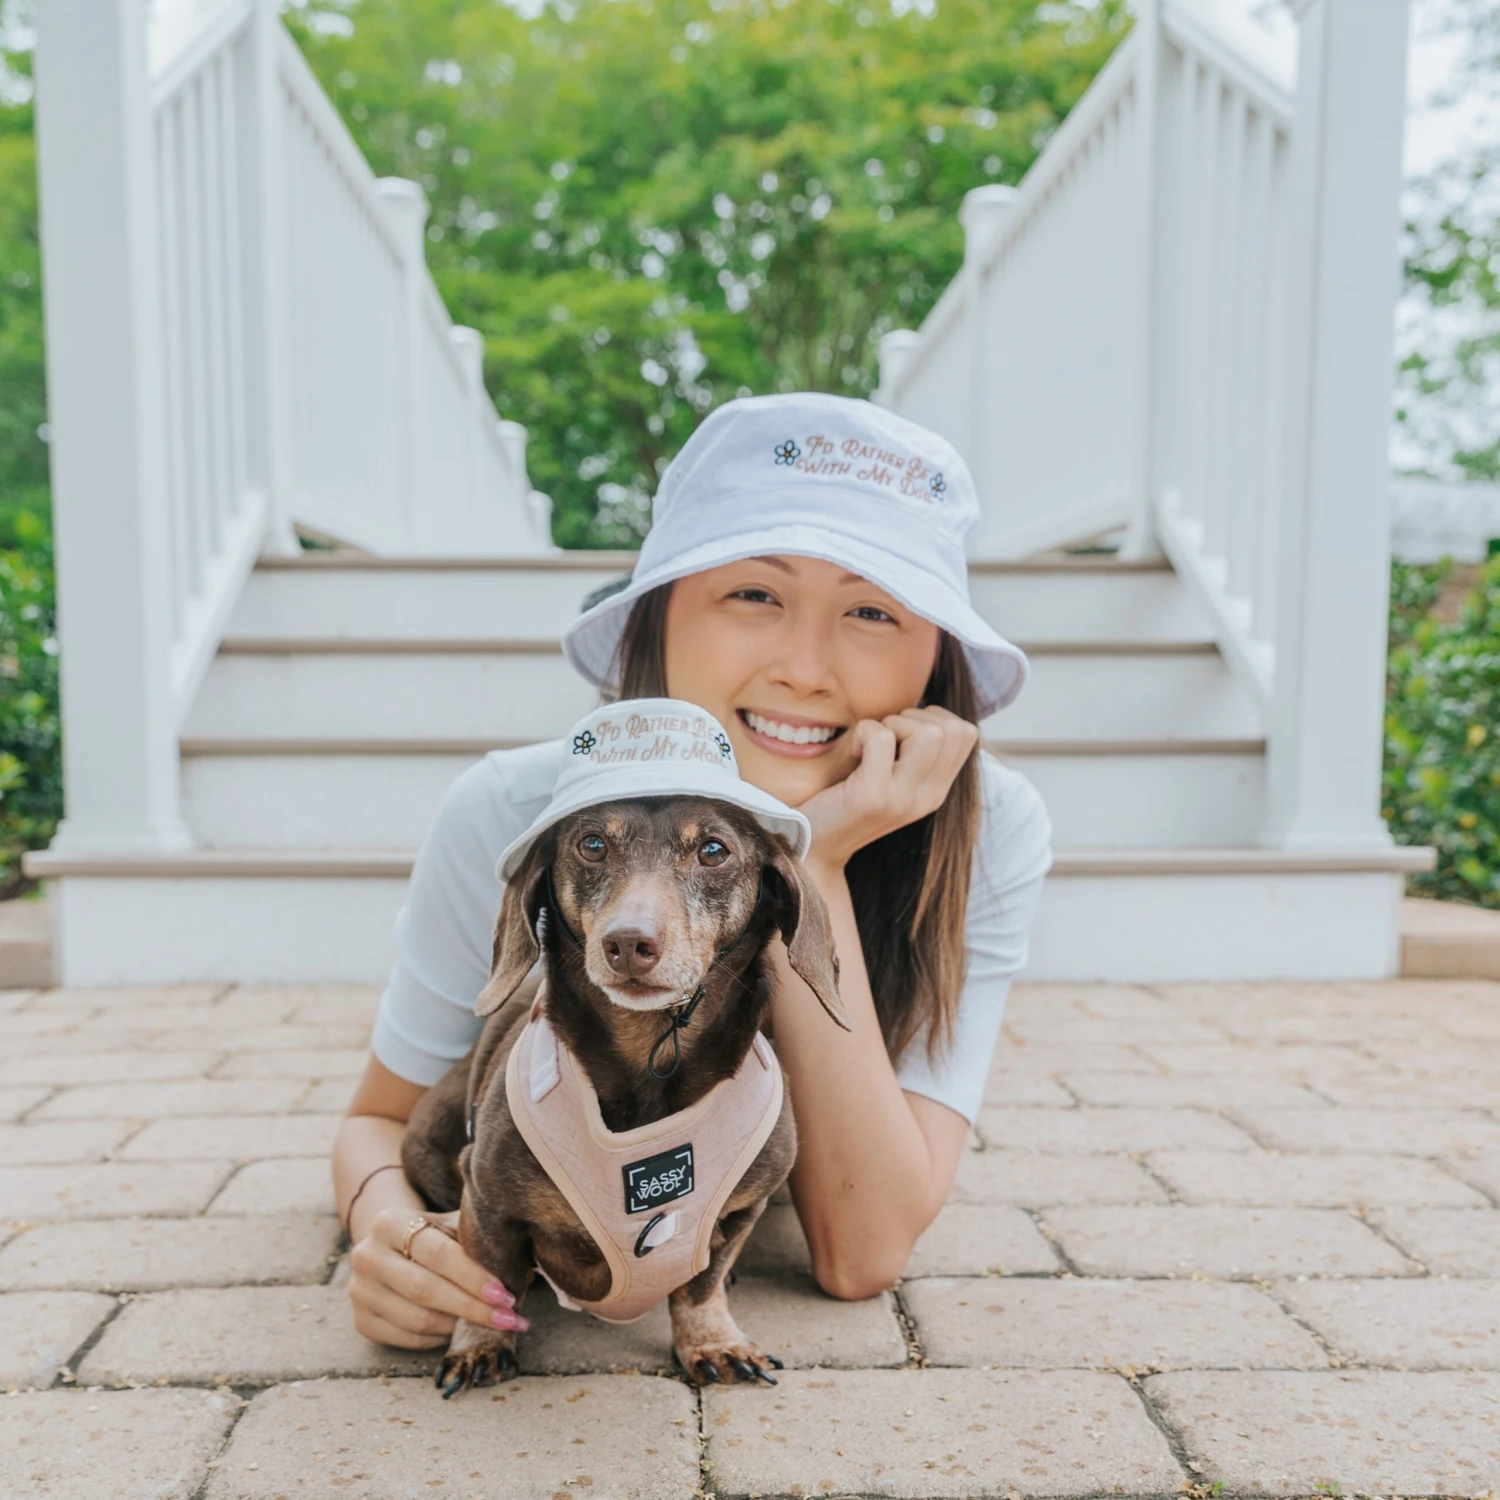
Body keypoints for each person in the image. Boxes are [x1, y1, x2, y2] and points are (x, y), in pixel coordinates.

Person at [332, 391, 1053, 1351]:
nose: (806, 666)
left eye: (873, 610)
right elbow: (378, 1122)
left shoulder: (983, 827)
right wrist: (384, 1226)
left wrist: (815, 861)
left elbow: (862, 1252)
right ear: (659, 615)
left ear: (936, 660)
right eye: (755, 593)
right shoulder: (519, 814)